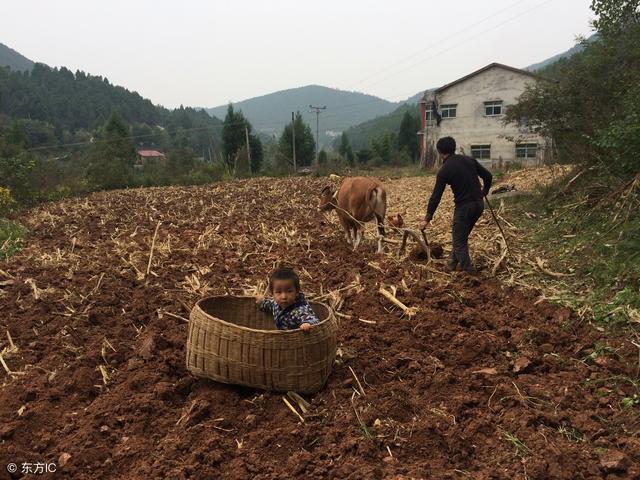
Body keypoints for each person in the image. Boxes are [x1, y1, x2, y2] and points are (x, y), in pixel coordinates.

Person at [420, 136, 492, 275]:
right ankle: (452, 265)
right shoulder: (469, 160)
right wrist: (484, 191)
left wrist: (427, 218)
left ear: (440, 152)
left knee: (459, 241)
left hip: (464, 208)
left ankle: (469, 272)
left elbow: (436, 197)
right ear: (453, 148)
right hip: (479, 205)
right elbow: (488, 176)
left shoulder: (445, 170)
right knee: (460, 237)